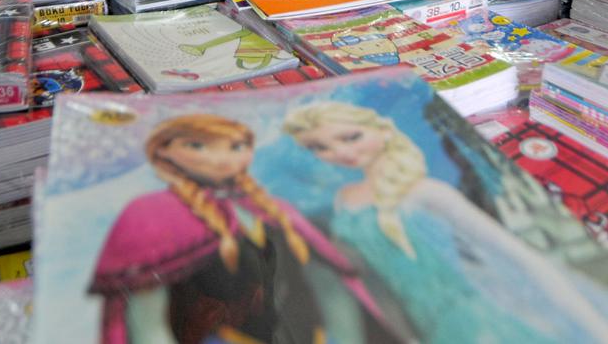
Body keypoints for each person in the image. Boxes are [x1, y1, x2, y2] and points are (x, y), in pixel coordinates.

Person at [282, 103, 608, 344]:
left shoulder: (425, 192)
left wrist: (600, 333)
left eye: (350, 137)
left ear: (383, 133)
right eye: (320, 147)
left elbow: (525, 261)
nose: (338, 152)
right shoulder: (342, 203)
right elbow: (374, 283)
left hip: (490, 315)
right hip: (430, 327)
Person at [87, 114, 405, 344]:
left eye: (236, 146)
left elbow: (328, 282)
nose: (221, 157)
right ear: (165, 152)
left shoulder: (273, 208)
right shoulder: (148, 214)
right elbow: (145, 322)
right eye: (198, 145)